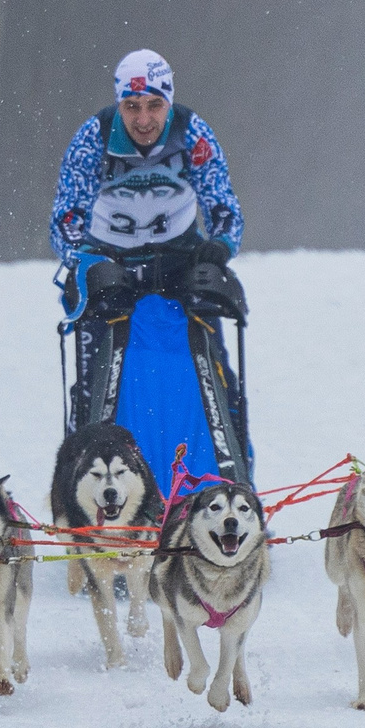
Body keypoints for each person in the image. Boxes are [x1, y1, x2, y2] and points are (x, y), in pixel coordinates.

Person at [50, 48, 249, 483]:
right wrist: (82, 259)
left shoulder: (193, 135)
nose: (143, 120)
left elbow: (226, 210)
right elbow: (66, 219)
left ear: (169, 102)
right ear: (119, 103)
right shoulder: (93, 139)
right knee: (91, 389)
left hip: (179, 259)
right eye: (132, 106)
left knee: (220, 379)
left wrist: (219, 247)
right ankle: (78, 493)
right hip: (109, 258)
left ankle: (237, 483)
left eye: (155, 105)